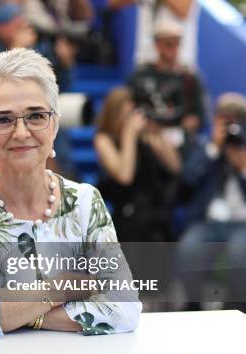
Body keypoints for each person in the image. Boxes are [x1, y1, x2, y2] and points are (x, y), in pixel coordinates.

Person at [0, 48, 141, 337]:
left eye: (36, 116)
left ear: (55, 124)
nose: (21, 132)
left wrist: (7, 302)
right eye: (4, 119)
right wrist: (60, 287)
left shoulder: (85, 202)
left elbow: (125, 309)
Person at [175, 93, 246, 310]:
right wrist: (214, 149)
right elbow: (187, 178)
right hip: (207, 223)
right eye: (226, 120)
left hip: (241, 224)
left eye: (237, 120)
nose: (231, 126)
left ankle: (234, 309)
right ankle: (193, 307)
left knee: (239, 253)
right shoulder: (204, 148)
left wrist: (243, 167)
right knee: (188, 248)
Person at [94, 87, 181, 242]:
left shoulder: (146, 136)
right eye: (126, 115)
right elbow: (124, 175)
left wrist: (158, 131)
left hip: (156, 215)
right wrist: (129, 134)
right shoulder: (104, 140)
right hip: (128, 217)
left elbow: (174, 166)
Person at [127, 19, 205, 149]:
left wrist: (179, 129)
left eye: (177, 44)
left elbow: (198, 115)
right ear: (157, 45)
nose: (173, 49)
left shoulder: (190, 78)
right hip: (145, 138)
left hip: (180, 142)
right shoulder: (140, 76)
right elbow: (128, 108)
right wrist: (145, 126)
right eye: (169, 44)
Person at [0, 4, 76, 92]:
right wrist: (17, 49)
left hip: (41, 97)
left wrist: (65, 63)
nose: (20, 25)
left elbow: (60, 85)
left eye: (21, 20)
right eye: (13, 22)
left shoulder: (39, 46)